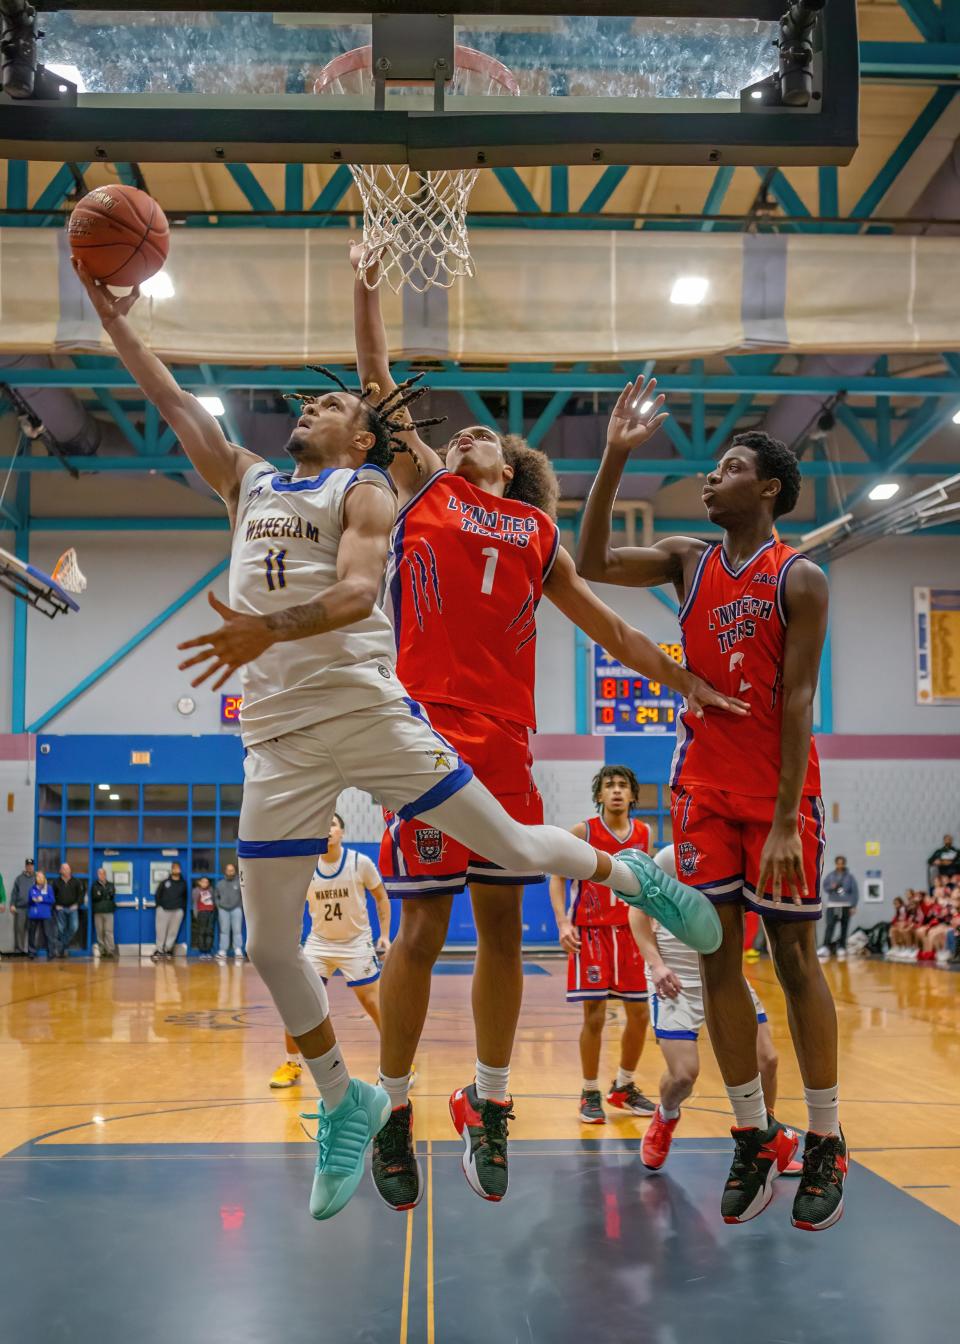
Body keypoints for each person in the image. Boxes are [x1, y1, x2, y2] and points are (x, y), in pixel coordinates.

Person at [77, 261, 723, 1224]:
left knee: (507, 872)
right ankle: (357, 1106)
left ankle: (627, 887)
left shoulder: (420, 500)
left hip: (394, 714)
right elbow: (185, 399)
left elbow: (365, 591)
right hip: (294, 734)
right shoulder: (325, 484)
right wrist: (112, 316)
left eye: (330, 401)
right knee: (274, 945)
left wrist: (683, 682)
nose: (309, 404)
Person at [350, 246, 743, 1211]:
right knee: (419, 926)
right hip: (426, 733)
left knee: (495, 926)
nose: (472, 433)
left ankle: (487, 1102)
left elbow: (610, 629)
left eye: (489, 434)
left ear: (516, 468)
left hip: (507, 745)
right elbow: (377, 382)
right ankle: (395, 1110)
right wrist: (367, 282)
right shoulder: (429, 490)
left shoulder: (536, 536)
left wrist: (688, 680)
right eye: (465, 432)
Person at [578, 378, 846, 1233]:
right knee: (718, 960)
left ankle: (829, 1139)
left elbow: (798, 703)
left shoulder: (798, 578)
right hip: (699, 789)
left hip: (773, 798)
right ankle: (752, 1131)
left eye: (729, 468)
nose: (710, 478)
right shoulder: (690, 558)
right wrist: (616, 454)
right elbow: (586, 563)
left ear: (767, 489)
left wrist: (780, 819)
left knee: (798, 963)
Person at [630, 848, 800, 1176]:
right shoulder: (669, 859)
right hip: (676, 977)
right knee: (683, 1075)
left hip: (725, 974)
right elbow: (638, 913)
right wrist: (657, 965)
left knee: (767, 1060)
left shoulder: (739, 855)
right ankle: (666, 1116)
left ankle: (764, 1142)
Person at [549, 766, 656, 1123]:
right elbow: (557, 874)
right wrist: (563, 922)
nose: (616, 791)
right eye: (609, 786)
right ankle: (589, 1091)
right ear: (599, 795)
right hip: (591, 932)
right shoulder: (584, 831)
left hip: (630, 934)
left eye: (623, 785)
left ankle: (624, 1087)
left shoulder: (644, 833)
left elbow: (648, 881)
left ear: (631, 795)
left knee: (640, 1014)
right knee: (594, 1016)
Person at [270, 813, 391, 1089]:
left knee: (375, 1005)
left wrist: (384, 935)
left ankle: (399, 1062)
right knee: (297, 1004)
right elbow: (290, 904)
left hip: (356, 943)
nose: (328, 829)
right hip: (319, 944)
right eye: (323, 825)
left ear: (342, 833)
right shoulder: (306, 867)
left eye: (333, 825)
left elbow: (381, 897)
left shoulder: (360, 863)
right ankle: (291, 1063)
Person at [819, 856, 859, 961]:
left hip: (846, 905)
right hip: (833, 905)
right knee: (830, 925)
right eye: (838, 863)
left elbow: (855, 892)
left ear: (844, 864)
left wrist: (853, 906)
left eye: (842, 863)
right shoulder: (831, 876)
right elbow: (825, 886)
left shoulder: (850, 877)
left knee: (844, 927)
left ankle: (842, 947)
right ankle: (825, 947)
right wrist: (831, 887)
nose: (840, 865)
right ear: (836, 864)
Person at [153, 861, 187, 961]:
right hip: (163, 910)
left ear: (180, 870)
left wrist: (182, 909)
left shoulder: (183, 883)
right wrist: (159, 906)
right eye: (174, 868)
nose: (176, 870)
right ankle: (159, 950)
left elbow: (185, 897)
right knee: (160, 932)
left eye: (177, 868)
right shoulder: (164, 882)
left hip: (177, 911)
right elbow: (157, 895)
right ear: (171, 870)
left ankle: (168, 950)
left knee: (173, 932)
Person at [52, 862, 84, 958]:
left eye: (67, 868)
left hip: (72, 909)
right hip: (60, 909)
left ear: (70, 870)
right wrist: (56, 905)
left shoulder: (76, 882)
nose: (65, 870)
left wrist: (77, 904)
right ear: (60, 871)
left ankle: (60, 947)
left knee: (74, 927)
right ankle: (62, 950)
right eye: (63, 868)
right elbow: (51, 896)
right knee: (60, 929)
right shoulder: (56, 882)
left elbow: (81, 896)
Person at [215, 862, 244, 961]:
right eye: (228, 870)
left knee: (237, 930)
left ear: (234, 871)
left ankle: (238, 950)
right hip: (223, 910)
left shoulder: (239, 883)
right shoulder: (220, 883)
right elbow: (216, 896)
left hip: (236, 909)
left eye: (232, 870)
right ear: (225, 871)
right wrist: (219, 906)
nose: (230, 872)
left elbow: (243, 897)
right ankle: (223, 951)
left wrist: (239, 906)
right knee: (224, 931)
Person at [27, 870, 56, 959]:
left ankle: (50, 953)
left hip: (45, 914)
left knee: (48, 934)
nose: (39, 878)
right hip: (34, 914)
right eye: (37, 876)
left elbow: (52, 900)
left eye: (40, 876)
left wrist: (42, 899)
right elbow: (29, 901)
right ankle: (32, 952)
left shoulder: (49, 888)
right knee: (32, 934)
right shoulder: (32, 888)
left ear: (44, 878)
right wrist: (33, 900)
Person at [90, 867, 117, 959]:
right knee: (100, 932)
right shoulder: (94, 885)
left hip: (109, 911)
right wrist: (104, 894)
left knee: (109, 931)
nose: (101, 875)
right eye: (99, 874)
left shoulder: (111, 885)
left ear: (105, 874)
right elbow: (95, 896)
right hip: (98, 912)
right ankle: (102, 951)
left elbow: (111, 895)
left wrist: (102, 894)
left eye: (102, 873)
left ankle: (110, 951)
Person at [10, 859, 34, 956]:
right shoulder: (19, 879)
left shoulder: (37, 878)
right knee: (19, 930)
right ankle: (19, 951)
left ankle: (31, 951)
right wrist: (12, 904)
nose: (29, 867)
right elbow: (14, 893)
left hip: (33, 908)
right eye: (28, 865)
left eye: (31, 865)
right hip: (20, 908)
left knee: (32, 930)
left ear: (33, 866)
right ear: (25, 866)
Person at [192, 876, 217, 958]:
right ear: (199, 882)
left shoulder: (211, 890)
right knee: (201, 931)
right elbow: (195, 903)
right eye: (203, 881)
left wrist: (213, 911)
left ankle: (208, 951)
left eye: (207, 882)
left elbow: (214, 900)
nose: (205, 883)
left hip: (210, 912)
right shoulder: (196, 891)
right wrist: (196, 914)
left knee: (209, 931)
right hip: (201, 913)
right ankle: (202, 952)